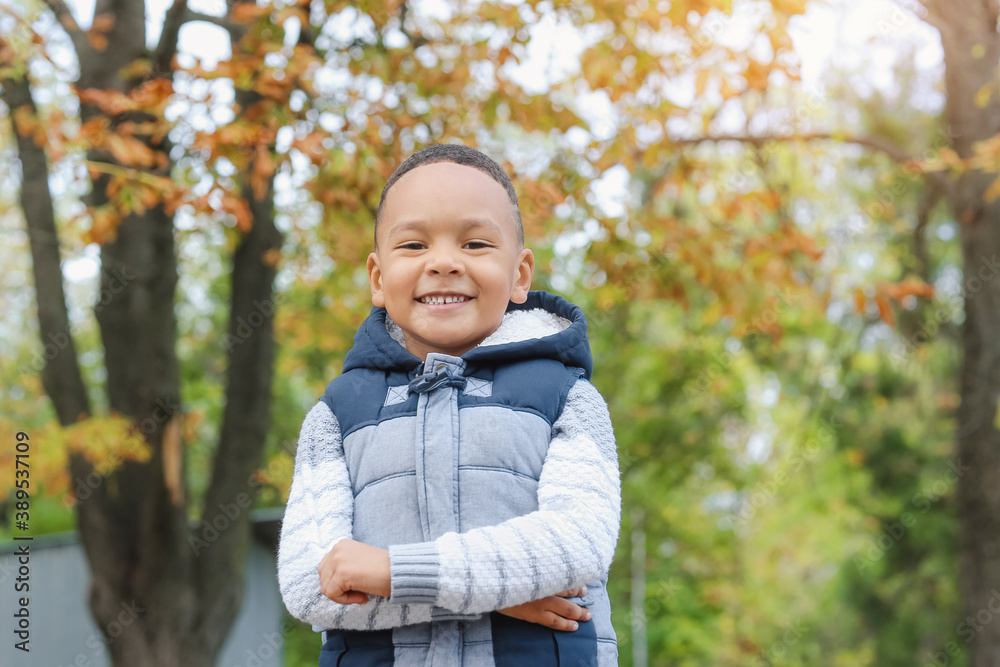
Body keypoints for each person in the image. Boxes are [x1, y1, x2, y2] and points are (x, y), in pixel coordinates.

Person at [277, 144, 621, 666]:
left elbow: (577, 546)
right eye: (413, 245)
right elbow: (312, 583)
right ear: (377, 277)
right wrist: (502, 592)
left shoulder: (568, 397)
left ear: (520, 274)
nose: (443, 263)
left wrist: (393, 573)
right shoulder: (336, 415)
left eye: (476, 243)